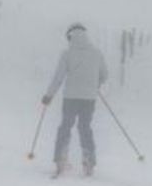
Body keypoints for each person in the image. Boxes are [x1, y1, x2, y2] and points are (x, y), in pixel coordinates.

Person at [42, 22, 109, 177]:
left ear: (70, 36)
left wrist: (48, 96)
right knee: (85, 127)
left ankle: (60, 158)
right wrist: (94, 85)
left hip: (70, 98)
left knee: (65, 126)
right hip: (89, 99)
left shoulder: (67, 53)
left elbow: (58, 77)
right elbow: (104, 75)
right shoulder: (96, 53)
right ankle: (89, 160)